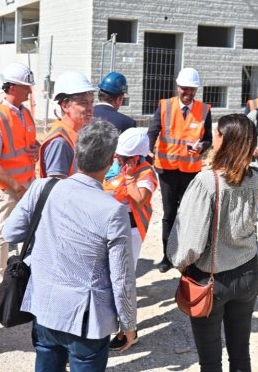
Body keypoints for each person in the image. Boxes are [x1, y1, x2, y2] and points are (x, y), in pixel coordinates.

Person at [4, 119, 137, 371]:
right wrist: (128, 324)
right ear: (111, 162)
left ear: (76, 154)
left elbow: (11, 232)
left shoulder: (43, 188)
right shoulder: (113, 210)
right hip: (86, 320)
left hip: (44, 308)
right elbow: (122, 278)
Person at [168, 114, 258, 372]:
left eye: (218, 134)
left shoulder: (207, 181)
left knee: (211, 361)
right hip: (247, 270)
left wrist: (180, 263)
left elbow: (189, 240)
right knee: (240, 353)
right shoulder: (257, 178)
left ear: (227, 141)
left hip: (211, 276)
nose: (214, 139)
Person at [0, 62, 39, 291]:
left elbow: (28, 144)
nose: (29, 91)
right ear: (12, 88)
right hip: (8, 188)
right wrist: (16, 185)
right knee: (3, 234)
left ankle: (23, 277)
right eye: (25, 87)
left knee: (28, 231)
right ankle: (1, 284)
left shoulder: (24, 114)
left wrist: (37, 148)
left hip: (26, 184)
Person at [147, 67, 212, 273]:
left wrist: (203, 145)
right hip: (167, 169)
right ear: (177, 87)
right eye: (184, 89)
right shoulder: (165, 106)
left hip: (190, 171)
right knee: (169, 214)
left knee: (188, 214)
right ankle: (167, 256)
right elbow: (152, 131)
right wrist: (147, 151)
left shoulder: (203, 110)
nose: (188, 93)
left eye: (192, 90)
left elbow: (208, 138)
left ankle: (185, 255)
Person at [104, 127, 158, 350]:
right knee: (110, 279)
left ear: (136, 157)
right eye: (117, 155)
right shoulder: (120, 165)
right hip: (112, 228)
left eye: (122, 157)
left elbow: (141, 199)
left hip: (130, 232)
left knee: (123, 281)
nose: (117, 158)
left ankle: (128, 331)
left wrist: (128, 178)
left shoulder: (146, 173)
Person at [39, 71, 97, 178]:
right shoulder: (59, 143)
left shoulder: (77, 134)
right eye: (84, 103)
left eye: (91, 102)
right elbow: (56, 188)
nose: (90, 108)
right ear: (65, 106)